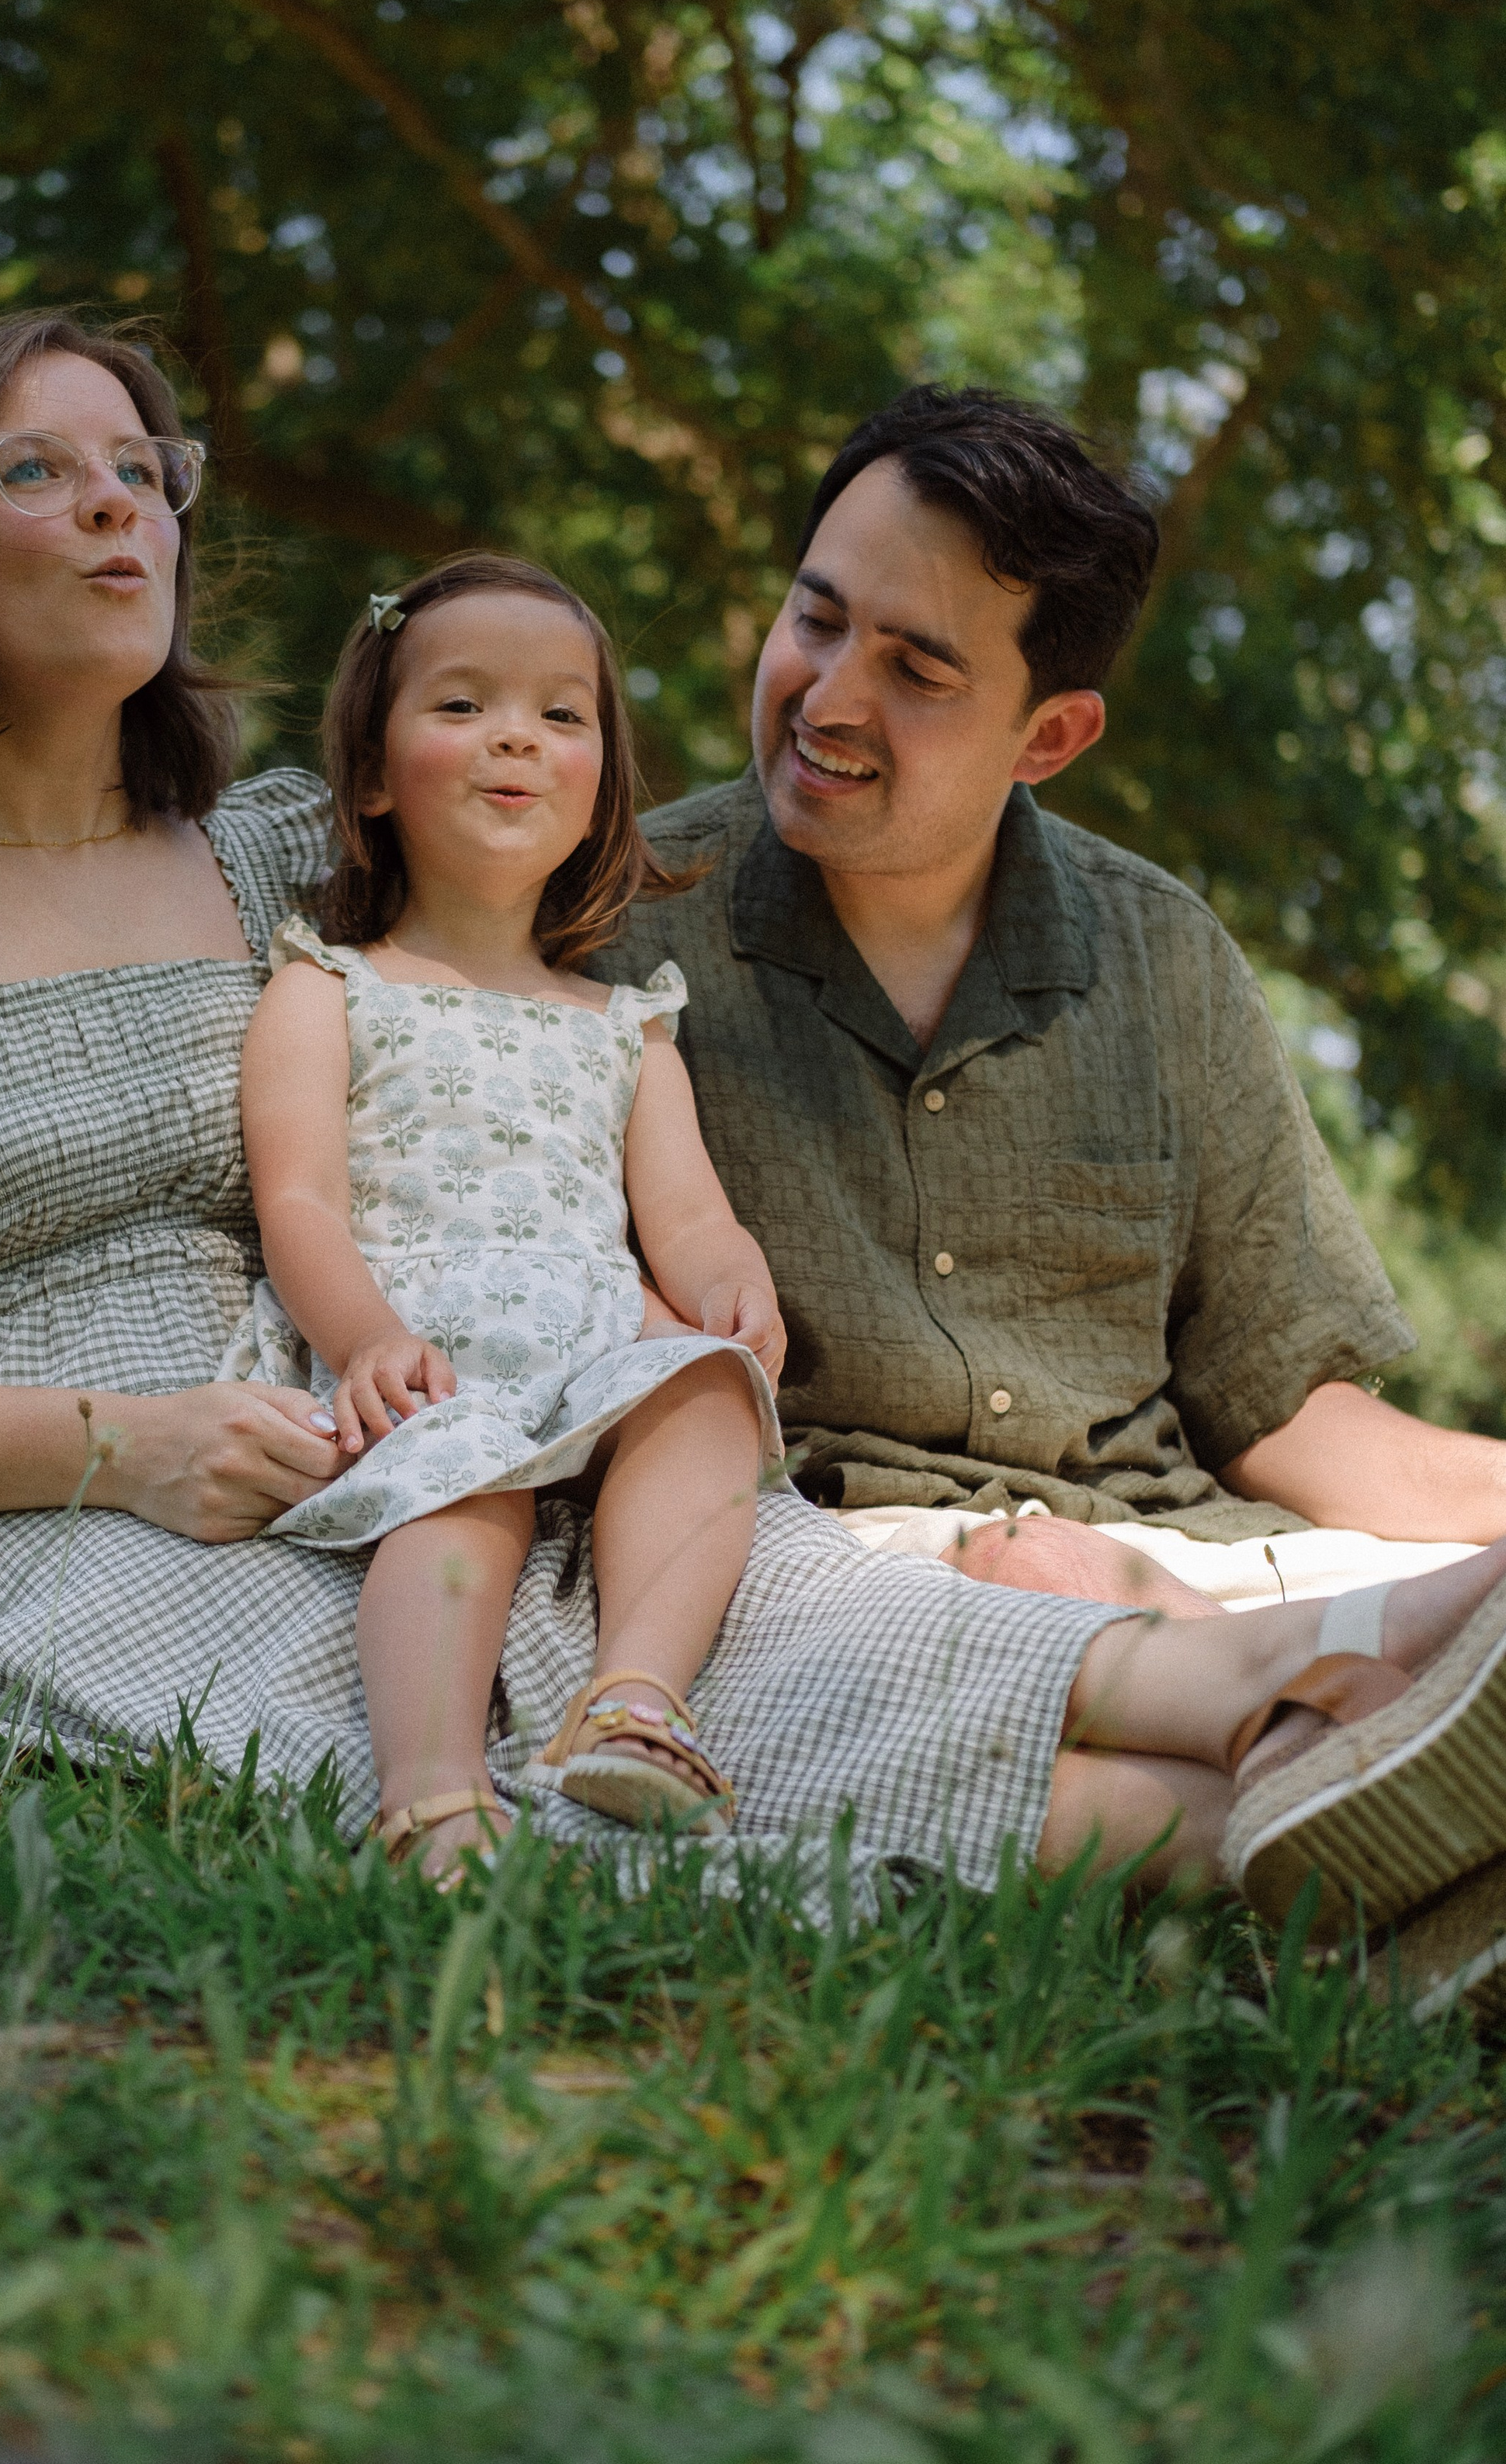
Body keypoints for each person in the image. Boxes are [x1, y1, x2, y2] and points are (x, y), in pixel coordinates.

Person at [0, 309, 1506, 2021]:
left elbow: (516, 967)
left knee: (760, 1634)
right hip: (16, 1522)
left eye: (144, 468)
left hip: (351, 1457)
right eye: (35, 469)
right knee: (433, 1746)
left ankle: (1352, 1725)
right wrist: (126, 1441)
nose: (118, 507)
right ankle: (1297, 1855)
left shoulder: (281, 862)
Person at [592, 385, 1506, 1616]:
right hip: (826, 1570)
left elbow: (1283, 1411)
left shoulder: (1165, 956)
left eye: (916, 670)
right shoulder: (610, 921)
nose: (829, 699)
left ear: (1052, 736)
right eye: (817, 619)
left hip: (1188, 1562)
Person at [230, 554, 785, 1877]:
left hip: (597, 1336)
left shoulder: (626, 1022)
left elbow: (689, 1216)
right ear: (372, 775)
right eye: (464, 706)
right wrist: (365, 1338)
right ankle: (431, 1790)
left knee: (708, 1397)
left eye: (561, 714)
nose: (517, 737)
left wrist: (730, 1287)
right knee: (463, 1489)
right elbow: (295, 1197)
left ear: (600, 788)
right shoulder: (332, 985)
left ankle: (634, 1698)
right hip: (430, 1345)